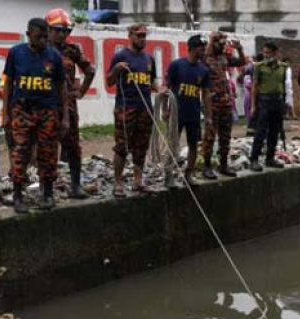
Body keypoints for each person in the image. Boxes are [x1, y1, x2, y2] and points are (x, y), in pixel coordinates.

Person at [3, 18, 69, 213]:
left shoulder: (54, 56)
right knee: (20, 152)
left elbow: (61, 87)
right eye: (39, 36)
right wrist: (6, 114)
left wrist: (64, 116)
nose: (43, 40)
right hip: (22, 109)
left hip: (47, 111)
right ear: (28, 34)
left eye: (45, 36)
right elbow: (8, 84)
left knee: (48, 153)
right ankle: (18, 195)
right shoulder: (16, 53)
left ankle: (47, 193)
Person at [46, 8, 96, 200]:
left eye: (65, 31)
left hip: (68, 105)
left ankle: (75, 185)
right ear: (48, 29)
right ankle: (47, 189)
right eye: (57, 30)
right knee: (47, 148)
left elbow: (89, 70)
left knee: (73, 146)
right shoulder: (41, 50)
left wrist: (81, 91)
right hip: (46, 104)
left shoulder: (72, 50)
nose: (62, 34)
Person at [106, 24, 158, 197]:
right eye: (139, 35)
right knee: (122, 146)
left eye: (144, 36)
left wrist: (161, 90)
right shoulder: (121, 56)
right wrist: (116, 69)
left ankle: (138, 180)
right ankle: (118, 181)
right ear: (130, 35)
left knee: (141, 145)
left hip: (145, 108)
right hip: (126, 107)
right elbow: (110, 81)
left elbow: (151, 83)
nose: (142, 39)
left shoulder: (149, 59)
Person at [166, 34, 212, 186]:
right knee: (173, 144)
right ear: (192, 48)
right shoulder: (177, 65)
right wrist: (166, 110)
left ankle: (189, 174)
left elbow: (205, 94)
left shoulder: (204, 70)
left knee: (193, 144)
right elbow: (166, 87)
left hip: (193, 113)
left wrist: (209, 116)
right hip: (176, 112)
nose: (203, 51)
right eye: (201, 48)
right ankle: (169, 175)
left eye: (204, 48)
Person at [201, 31, 245, 179]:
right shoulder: (205, 58)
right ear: (212, 42)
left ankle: (223, 165)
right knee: (210, 136)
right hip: (212, 102)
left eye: (224, 44)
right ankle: (207, 166)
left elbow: (241, 62)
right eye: (220, 43)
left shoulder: (224, 57)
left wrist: (239, 49)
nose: (222, 46)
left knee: (225, 136)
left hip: (226, 101)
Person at [249, 41, 288, 171]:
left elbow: (283, 86)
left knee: (274, 131)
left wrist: (284, 103)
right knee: (260, 131)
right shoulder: (259, 66)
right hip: (264, 100)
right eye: (264, 53)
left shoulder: (283, 67)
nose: (266, 55)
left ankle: (270, 158)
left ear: (276, 53)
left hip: (277, 101)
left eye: (268, 53)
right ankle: (254, 159)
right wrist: (253, 106)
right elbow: (254, 86)